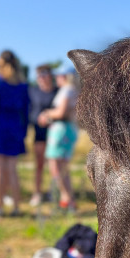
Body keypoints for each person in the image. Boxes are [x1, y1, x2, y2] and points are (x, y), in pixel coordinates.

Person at [0, 50, 30, 216]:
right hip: (15, 127)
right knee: (12, 169)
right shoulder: (23, 84)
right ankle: (16, 207)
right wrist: (23, 131)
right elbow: (26, 110)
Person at [39, 67, 78, 211]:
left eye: (59, 75)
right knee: (60, 167)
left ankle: (67, 200)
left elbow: (62, 112)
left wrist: (47, 114)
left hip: (62, 130)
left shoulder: (67, 90)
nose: (56, 78)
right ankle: (65, 199)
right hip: (63, 130)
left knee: (57, 167)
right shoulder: (69, 90)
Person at [29, 65, 57, 207]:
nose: (41, 77)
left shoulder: (58, 91)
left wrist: (49, 118)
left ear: (50, 75)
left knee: (55, 165)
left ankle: (54, 192)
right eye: (39, 75)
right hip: (39, 133)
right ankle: (37, 192)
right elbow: (31, 111)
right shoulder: (33, 91)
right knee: (39, 164)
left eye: (44, 74)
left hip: (55, 134)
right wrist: (39, 118)